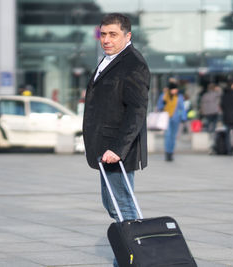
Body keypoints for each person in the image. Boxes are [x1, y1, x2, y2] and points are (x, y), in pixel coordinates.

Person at [82, 13, 150, 267]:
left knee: (124, 207)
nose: (106, 40)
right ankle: (129, 257)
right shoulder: (110, 60)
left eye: (113, 34)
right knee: (114, 205)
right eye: (103, 34)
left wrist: (119, 149)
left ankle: (136, 259)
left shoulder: (133, 63)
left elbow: (136, 111)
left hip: (116, 150)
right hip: (105, 147)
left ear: (127, 36)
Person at [156, 81, 187, 161]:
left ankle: (171, 152)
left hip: (176, 119)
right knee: (168, 135)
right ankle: (167, 152)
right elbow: (159, 106)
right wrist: (163, 104)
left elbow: (182, 108)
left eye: (176, 89)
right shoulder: (164, 96)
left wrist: (184, 117)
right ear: (170, 89)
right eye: (174, 89)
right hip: (166, 118)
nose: (175, 91)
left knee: (173, 136)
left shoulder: (179, 97)